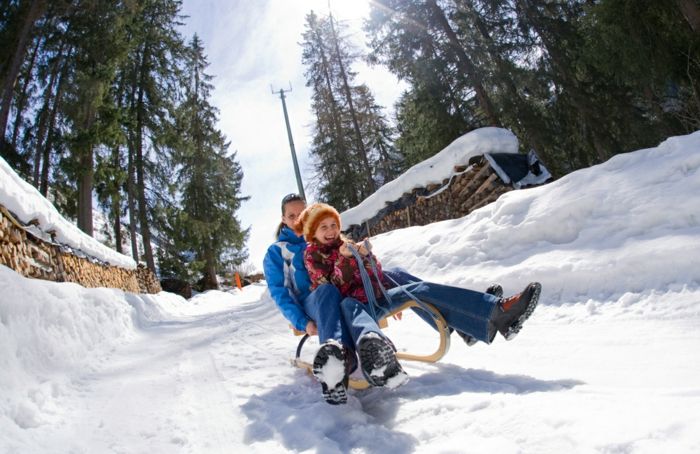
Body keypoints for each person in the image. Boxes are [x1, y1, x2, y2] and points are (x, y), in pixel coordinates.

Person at [294, 202, 541, 357]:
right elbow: (333, 290)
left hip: (372, 298)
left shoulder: (347, 245)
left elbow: (375, 275)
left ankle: (485, 317)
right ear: (312, 233)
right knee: (416, 289)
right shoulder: (312, 255)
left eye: (333, 225)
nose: (330, 231)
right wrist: (346, 260)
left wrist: (367, 257)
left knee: (409, 282)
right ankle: (493, 313)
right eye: (323, 227)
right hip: (354, 310)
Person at [263, 194, 405, 406]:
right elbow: (280, 292)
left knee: (396, 274)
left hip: (346, 294)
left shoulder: (322, 234)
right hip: (313, 302)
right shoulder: (277, 251)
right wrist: (302, 321)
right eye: (291, 216)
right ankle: (334, 365)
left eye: (301, 214)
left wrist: (384, 294)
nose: (297, 220)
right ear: (283, 219)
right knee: (326, 291)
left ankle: (376, 352)